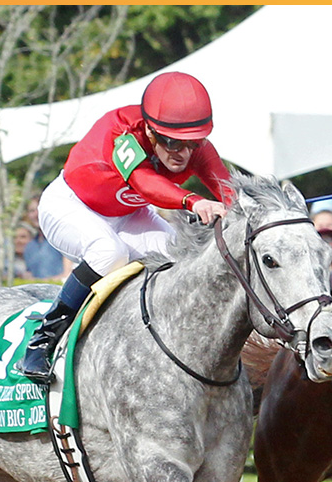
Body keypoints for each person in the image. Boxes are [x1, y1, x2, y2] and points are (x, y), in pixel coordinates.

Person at [18, 71, 231, 382]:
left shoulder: (190, 146)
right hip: (70, 205)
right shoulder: (123, 133)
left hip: (128, 213)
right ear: (150, 130)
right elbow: (145, 183)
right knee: (109, 252)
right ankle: (42, 341)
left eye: (192, 143)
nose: (183, 153)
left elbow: (229, 191)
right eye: (172, 142)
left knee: (179, 257)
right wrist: (193, 201)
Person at [20, 194, 64, 278]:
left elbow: (68, 274)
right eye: (32, 211)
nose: (36, 214)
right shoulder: (30, 246)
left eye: (39, 209)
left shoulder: (60, 239)